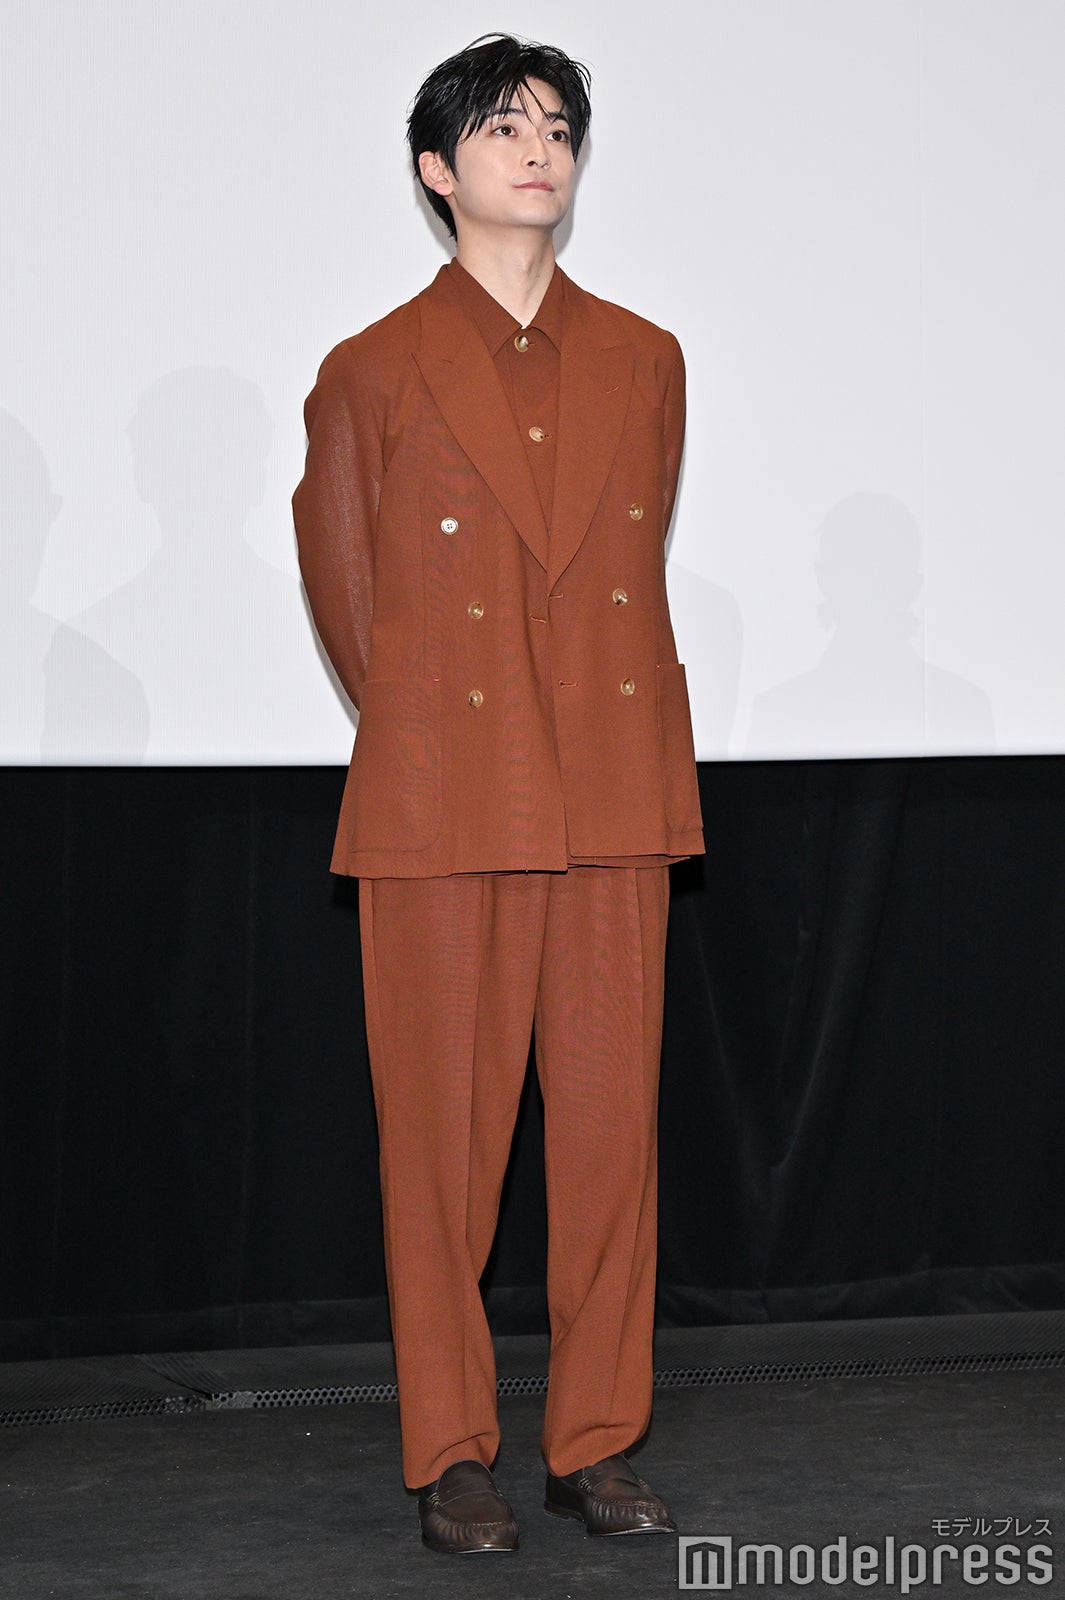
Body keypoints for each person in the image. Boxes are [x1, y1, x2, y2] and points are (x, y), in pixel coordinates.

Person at [292, 32, 704, 1555]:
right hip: (444, 800)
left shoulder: (645, 358)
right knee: (441, 1154)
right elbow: (349, 593)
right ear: (435, 168)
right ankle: (451, 1452)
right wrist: (434, 731)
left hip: (610, 791)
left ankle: (594, 1443)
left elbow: (627, 564)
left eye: (556, 129)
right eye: (501, 128)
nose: (537, 151)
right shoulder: (372, 369)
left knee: (607, 1145)